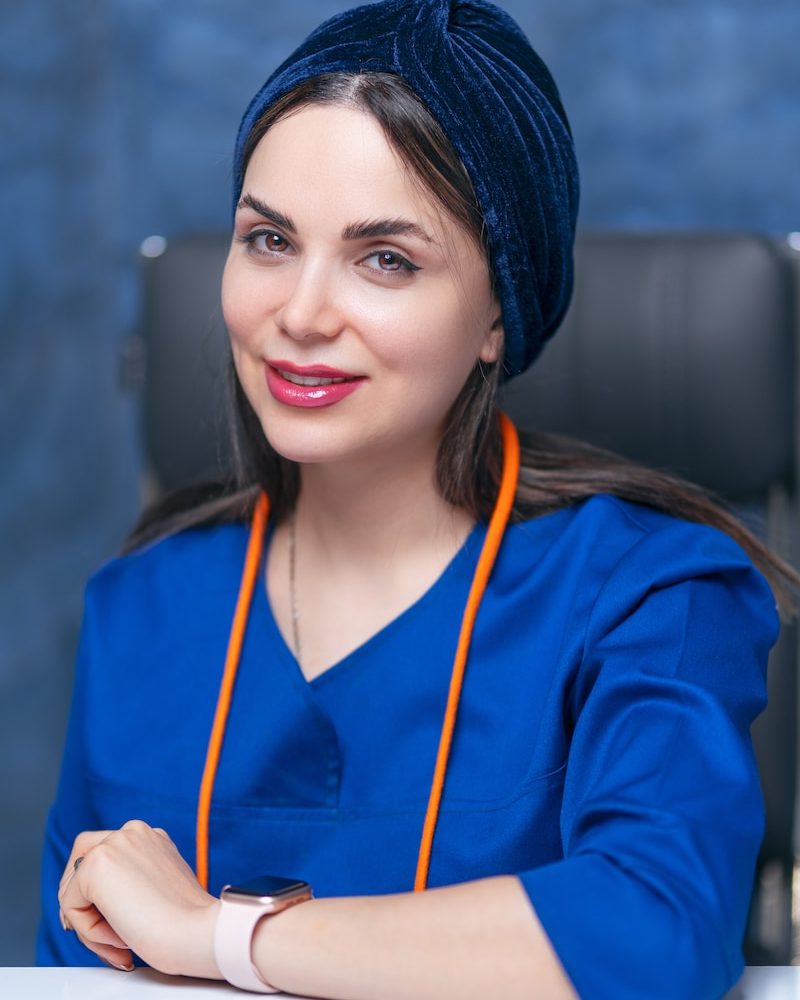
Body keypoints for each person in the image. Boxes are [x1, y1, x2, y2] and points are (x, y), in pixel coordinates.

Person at [38, 1, 796, 997]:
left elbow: (654, 933)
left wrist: (217, 936)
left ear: (496, 313)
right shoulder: (141, 608)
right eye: (267, 240)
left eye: (384, 258)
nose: (299, 314)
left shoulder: (650, 593)